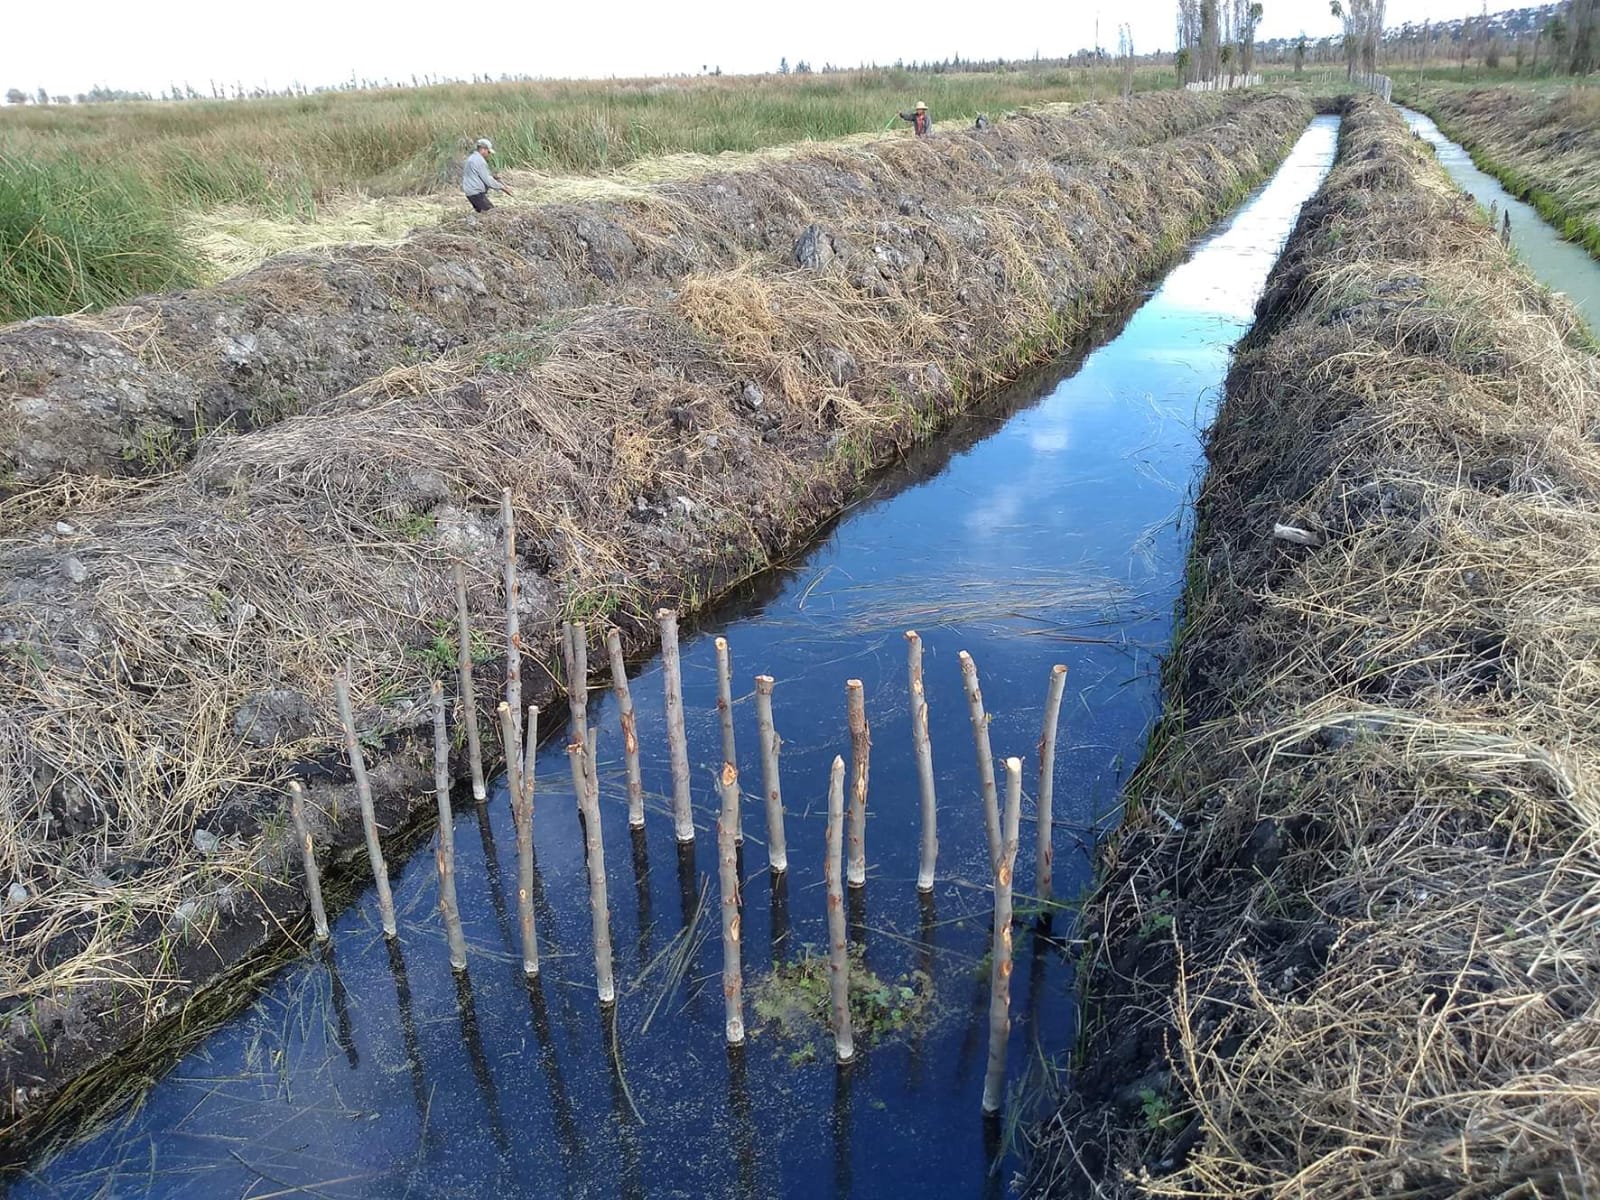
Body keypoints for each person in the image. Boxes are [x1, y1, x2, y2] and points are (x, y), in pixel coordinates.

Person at [462, 137, 511, 212]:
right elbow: (488, 180)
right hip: (476, 193)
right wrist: (503, 188)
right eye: (488, 152)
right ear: (483, 149)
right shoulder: (479, 160)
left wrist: (493, 177)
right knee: (491, 213)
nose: (489, 154)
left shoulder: (471, 158)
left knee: (483, 213)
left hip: (470, 192)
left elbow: (478, 175)